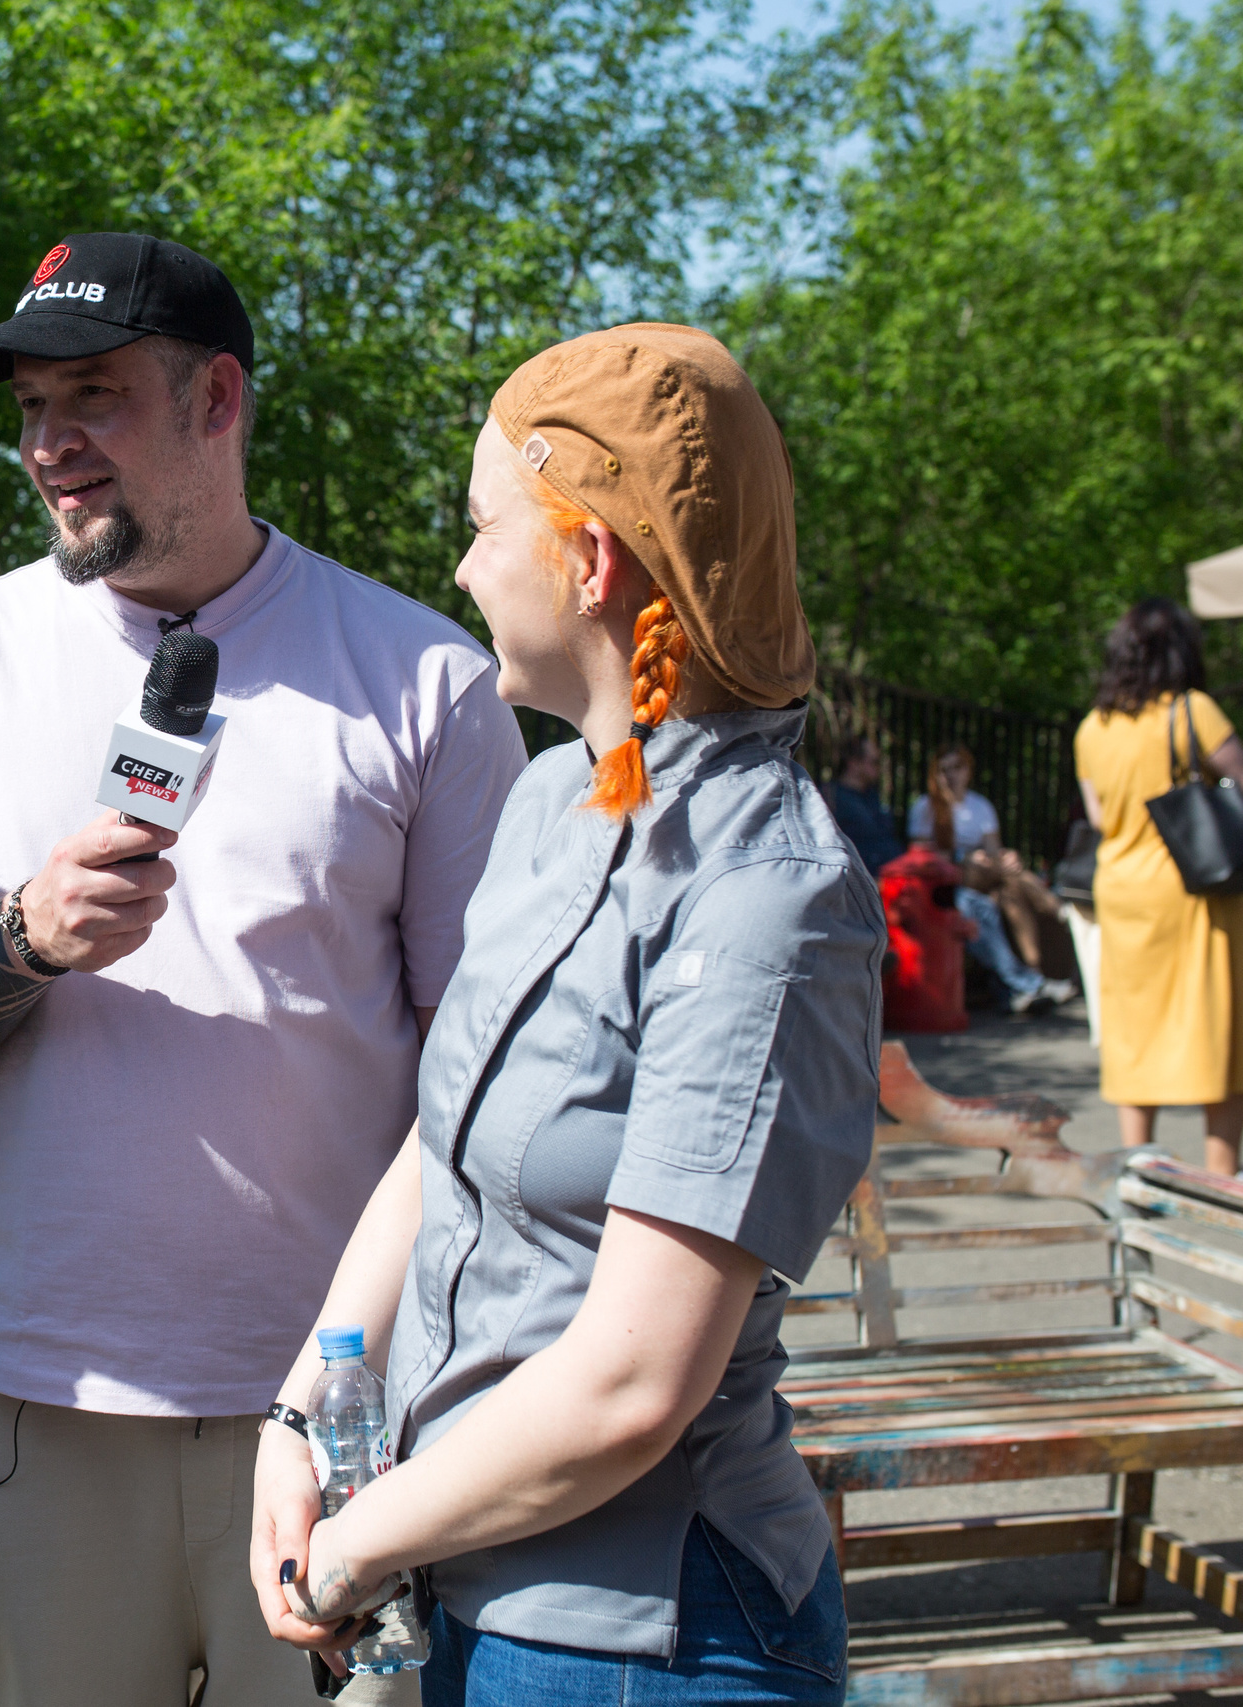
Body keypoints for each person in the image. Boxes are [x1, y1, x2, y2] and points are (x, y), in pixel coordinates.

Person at [0, 231, 525, 1704]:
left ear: (219, 398)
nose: (49, 441)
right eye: (27, 408)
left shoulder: (425, 678)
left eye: (92, 395)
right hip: (48, 1404)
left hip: (344, 1406)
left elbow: (480, 1085)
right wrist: (22, 937)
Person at [252, 324, 881, 1702]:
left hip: (647, 1635)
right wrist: (301, 1413)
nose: (465, 568)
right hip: (466, 1574)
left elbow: (632, 1384)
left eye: (484, 529)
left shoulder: (770, 895)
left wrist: (355, 1546)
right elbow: (440, 1143)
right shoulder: (552, 801)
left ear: (588, 561)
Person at [1075, 597, 1243, 1170]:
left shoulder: (1093, 728)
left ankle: (1141, 1159)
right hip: (1193, 890)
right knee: (1213, 1023)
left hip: (1122, 892)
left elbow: (1099, 818)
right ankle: (1221, 1173)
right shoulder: (1194, 711)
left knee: (1132, 1026)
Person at [909, 745, 1074, 1014]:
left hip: (987, 880)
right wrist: (965, 857)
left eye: (957, 768)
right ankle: (1057, 911)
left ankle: (1032, 975)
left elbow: (993, 851)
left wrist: (1006, 857)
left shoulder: (980, 806)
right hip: (949, 882)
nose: (951, 776)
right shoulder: (925, 807)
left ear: (968, 771)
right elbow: (919, 855)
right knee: (999, 887)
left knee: (1011, 893)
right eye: (944, 770)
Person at [820, 734, 902, 875]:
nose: (879, 768)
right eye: (874, 762)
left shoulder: (872, 796)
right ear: (853, 762)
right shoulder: (831, 797)